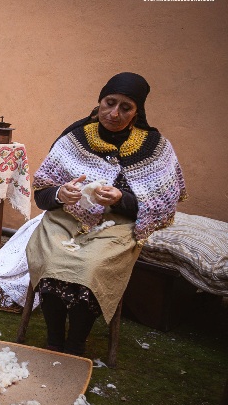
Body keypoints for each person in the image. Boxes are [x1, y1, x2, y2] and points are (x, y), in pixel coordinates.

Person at [26, 72, 187, 356]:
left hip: (117, 227)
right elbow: (42, 193)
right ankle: (54, 340)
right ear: (99, 101)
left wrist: (121, 198)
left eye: (126, 107)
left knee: (90, 269)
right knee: (51, 261)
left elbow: (163, 204)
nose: (114, 113)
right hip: (66, 220)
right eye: (109, 103)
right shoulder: (74, 138)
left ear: (137, 112)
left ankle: (75, 343)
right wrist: (61, 194)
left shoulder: (154, 147)